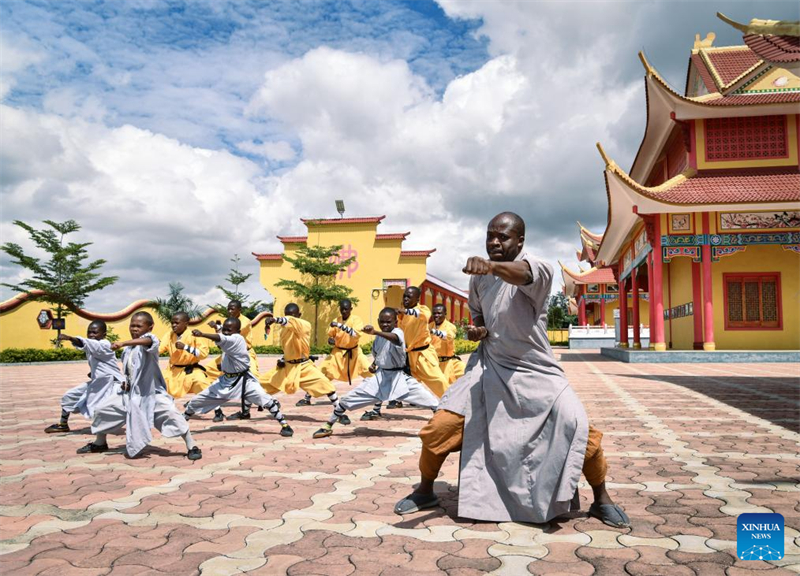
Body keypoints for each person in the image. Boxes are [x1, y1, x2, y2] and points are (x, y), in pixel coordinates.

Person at [394, 212, 629, 528]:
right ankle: (425, 491)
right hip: (488, 367)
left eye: (502, 237)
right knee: (440, 427)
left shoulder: (538, 268)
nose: (494, 242)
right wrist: (478, 330)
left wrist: (491, 266)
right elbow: (478, 315)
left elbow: (522, 274)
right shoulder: (479, 279)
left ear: (520, 241)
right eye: (490, 236)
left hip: (535, 370)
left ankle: (602, 498)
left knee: (574, 424)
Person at [77, 312, 202, 460]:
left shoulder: (150, 342)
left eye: (139, 326)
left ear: (150, 327)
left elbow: (148, 340)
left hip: (151, 393)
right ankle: (100, 443)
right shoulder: (128, 350)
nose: (134, 329)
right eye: (132, 325)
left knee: (171, 414)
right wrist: (126, 382)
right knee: (103, 409)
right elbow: (131, 371)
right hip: (131, 394)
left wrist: (123, 343)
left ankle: (192, 446)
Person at [312, 308, 439, 439]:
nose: (385, 325)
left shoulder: (398, 332)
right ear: (378, 322)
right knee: (347, 399)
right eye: (382, 322)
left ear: (395, 322)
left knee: (432, 402)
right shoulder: (379, 338)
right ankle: (328, 425)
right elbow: (379, 355)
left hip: (399, 379)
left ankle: (442, 427)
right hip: (380, 378)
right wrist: (374, 365)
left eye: (388, 322)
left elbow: (395, 340)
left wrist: (375, 332)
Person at [183, 317, 293, 436]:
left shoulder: (238, 339)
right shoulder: (229, 339)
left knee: (266, 400)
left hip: (244, 381)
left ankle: (285, 425)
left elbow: (222, 337)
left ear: (238, 332)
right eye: (224, 329)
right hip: (225, 381)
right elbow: (223, 337)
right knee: (196, 401)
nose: (226, 332)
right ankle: (182, 423)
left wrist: (202, 334)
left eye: (229, 330)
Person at [361, 286, 449, 419]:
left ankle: (453, 406)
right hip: (406, 356)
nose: (406, 299)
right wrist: (375, 362)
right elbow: (393, 338)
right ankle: (376, 410)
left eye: (409, 296)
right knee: (385, 377)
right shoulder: (399, 316)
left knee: (439, 382)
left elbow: (423, 315)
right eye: (404, 296)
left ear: (417, 299)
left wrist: (404, 311)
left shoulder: (422, 310)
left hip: (423, 355)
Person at [259, 304, 349, 428]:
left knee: (326, 385)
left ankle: (339, 413)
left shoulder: (304, 324)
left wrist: (275, 319)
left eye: (293, 315)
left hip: (304, 366)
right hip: (287, 366)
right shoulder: (285, 329)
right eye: (287, 315)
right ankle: (250, 410)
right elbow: (289, 348)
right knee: (260, 384)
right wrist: (283, 359)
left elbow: (290, 321)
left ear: (299, 315)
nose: (290, 317)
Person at [44, 320, 124, 433]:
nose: (91, 335)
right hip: (98, 383)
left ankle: (105, 434)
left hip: (112, 385)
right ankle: (63, 424)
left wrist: (70, 338)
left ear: (104, 334)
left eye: (95, 332)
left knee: (106, 408)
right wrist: (93, 373)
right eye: (89, 332)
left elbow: (83, 343)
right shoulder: (92, 346)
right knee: (70, 395)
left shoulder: (104, 344)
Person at [296, 299, 372, 407]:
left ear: (351, 309)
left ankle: (383, 397)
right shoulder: (336, 320)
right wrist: (330, 340)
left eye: (346, 309)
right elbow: (331, 336)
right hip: (338, 353)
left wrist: (339, 326)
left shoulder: (356, 320)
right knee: (322, 372)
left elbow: (355, 333)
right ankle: (307, 398)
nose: (344, 311)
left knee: (369, 370)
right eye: (342, 309)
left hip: (354, 352)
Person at [159, 312, 223, 422]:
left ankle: (218, 411)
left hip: (191, 369)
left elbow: (203, 354)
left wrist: (186, 347)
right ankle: (167, 412)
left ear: (186, 323)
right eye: (172, 323)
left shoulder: (195, 335)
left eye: (177, 323)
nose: (174, 325)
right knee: (161, 384)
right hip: (173, 370)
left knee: (202, 383)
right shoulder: (169, 335)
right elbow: (160, 349)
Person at [429, 303, 466, 384]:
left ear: (445, 314)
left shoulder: (450, 327)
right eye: (434, 313)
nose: (436, 315)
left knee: (466, 373)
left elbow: (449, 336)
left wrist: (434, 331)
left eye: (439, 313)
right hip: (435, 364)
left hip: (449, 362)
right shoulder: (430, 326)